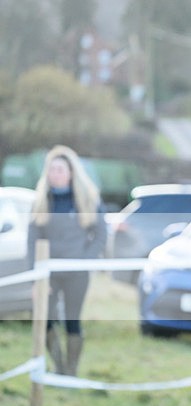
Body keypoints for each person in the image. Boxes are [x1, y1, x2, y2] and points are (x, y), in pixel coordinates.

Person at [28, 145, 107, 376]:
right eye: (51, 169)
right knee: (46, 318)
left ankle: (71, 371)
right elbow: (32, 239)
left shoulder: (87, 199)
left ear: (71, 171)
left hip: (77, 273)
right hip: (48, 273)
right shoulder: (42, 201)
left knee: (72, 319)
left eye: (60, 169)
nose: (56, 173)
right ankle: (58, 366)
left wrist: (85, 259)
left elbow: (101, 234)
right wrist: (34, 275)